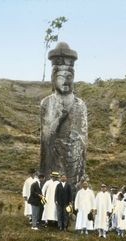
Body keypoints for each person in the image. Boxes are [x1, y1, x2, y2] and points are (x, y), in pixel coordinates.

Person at [40, 42, 88, 187]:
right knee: (53, 188)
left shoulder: (80, 105)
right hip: (54, 158)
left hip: (73, 156)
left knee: (73, 189)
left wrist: (75, 141)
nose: (66, 80)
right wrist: (59, 120)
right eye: (62, 76)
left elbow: (84, 137)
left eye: (70, 76)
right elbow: (45, 137)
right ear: (54, 78)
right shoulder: (47, 103)